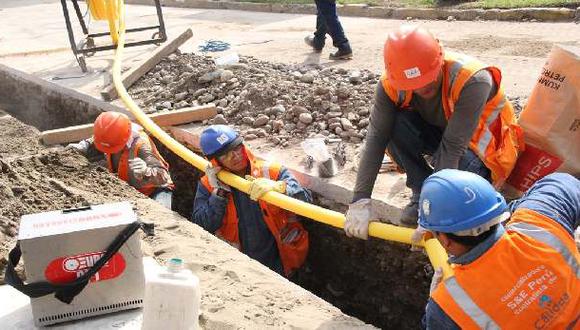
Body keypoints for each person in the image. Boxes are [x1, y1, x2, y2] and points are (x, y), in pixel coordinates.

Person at [344, 25, 524, 238]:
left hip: (486, 153)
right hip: (444, 138)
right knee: (393, 125)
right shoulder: (391, 85)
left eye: (427, 80)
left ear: (439, 59)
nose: (421, 89)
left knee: (462, 167)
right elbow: (376, 138)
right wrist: (360, 200)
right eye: (413, 84)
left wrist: (435, 211)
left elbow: (452, 147)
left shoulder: (472, 79)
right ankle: (421, 191)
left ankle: (434, 201)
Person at [415, 169, 579, 329]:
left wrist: (434, 311)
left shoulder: (450, 305)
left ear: (444, 239)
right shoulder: (537, 225)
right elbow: (564, 182)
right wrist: (520, 208)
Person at [191, 125, 312, 276]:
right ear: (215, 161)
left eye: (236, 148)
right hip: (236, 268)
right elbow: (200, 225)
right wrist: (218, 195)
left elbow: (306, 203)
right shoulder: (208, 185)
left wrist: (281, 188)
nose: (235, 156)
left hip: (280, 264)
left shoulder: (271, 172)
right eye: (225, 154)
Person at [67, 112, 174, 209]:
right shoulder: (113, 135)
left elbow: (163, 177)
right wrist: (85, 145)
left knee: (160, 218)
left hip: (154, 190)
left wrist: (146, 172)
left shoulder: (141, 146)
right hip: (127, 189)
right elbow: (99, 139)